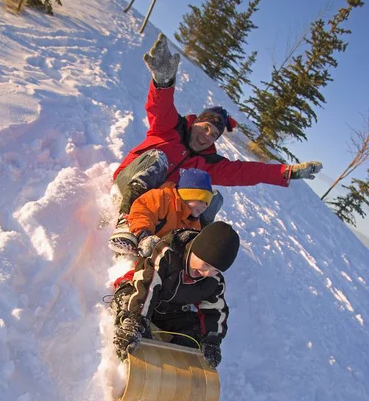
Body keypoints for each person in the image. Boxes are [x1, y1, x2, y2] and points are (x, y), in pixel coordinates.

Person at [108, 33, 323, 254]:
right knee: (157, 159)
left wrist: (286, 172)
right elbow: (160, 106)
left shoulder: (207, 163)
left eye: (214, 135)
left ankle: (182, 245)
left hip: (154, 205)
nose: (208, 136)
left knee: (209, 198)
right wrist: (163, 82)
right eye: (206, 128)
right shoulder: (170, 127)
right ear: (196, 123)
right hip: (127, 186)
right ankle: (126, 224)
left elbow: (247, 172)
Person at [111, 221, 240, 368]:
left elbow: (215, 310)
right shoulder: (167, 255)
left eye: (216, 270)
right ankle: (128, 336)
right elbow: (148, 286)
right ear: (194, 250)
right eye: (205, 264)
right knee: (128, 301)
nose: (207, 273)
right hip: (141, 294)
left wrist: (212, 340)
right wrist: (136, 319)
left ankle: (178, 365)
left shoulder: (213, 281)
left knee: (195, 331)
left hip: (169, 309)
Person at [126, 167, 214, 257]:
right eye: (201, 200)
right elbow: (141, 212)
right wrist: (144, 235)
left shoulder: (193, 224)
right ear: (187, 195)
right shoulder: (163, 197)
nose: (205, 206)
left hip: (159, 254)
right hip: (141, 238)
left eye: (208, 202)